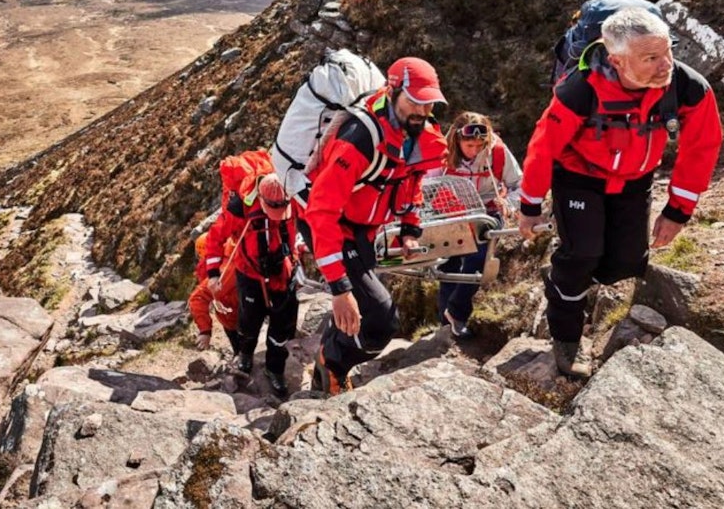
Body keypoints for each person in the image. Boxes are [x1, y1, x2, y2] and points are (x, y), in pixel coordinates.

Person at [518, 7, 722, 377]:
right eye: (651, 58)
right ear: (617, 60)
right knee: (581, 256)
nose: (666, 66)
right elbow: (543, 147)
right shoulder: (579, 89)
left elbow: (702, 146)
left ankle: (572, 275)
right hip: (579, 177)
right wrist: (530, 205)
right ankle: (567, 342)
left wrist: (678, 210)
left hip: (634, 179)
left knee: (625, 263)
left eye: (668, 52)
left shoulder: (686, 86)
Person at [307, 57, 449, 396]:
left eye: (428, 103)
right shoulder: (359, 140)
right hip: (337, 226)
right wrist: (339, 289)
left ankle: (323, 374)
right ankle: (334, 363)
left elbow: (410, 181)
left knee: (365, 305)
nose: (422, 110)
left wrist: (409, 229)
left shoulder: (417, 135)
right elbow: (321, 210)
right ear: (393, 90)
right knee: (382, 321)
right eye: (414, 100)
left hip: (363, 231)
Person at [207, 173, 305, 399]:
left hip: (283, 272)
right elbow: (215, 238)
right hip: (250, 274)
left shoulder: (294, 199)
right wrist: (213, 274)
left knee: (282, 327)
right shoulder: (239, 210)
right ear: (260, 198)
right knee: (249, 320)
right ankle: (245, 354)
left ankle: (275, 369)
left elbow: (308, 224)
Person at [428, 111, 522, 338]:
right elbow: (425, 185)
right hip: (451, 213)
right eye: (469, 145)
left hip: (486, 211)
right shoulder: (442, 153)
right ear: (457, 140)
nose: (475, 150)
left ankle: (457, 312)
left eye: (480, 145)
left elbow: (519, 183)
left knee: (479, 258)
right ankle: (446, 325)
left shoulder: (497, 152)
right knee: (448, 266)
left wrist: (508, 203)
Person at [187, 230, 241, 355]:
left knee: (240, 348)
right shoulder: (228, 261)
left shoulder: (216, 269)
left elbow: (199, 298)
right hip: (235, 314)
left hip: (231, 317)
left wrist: (205, 330)